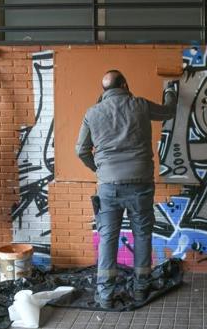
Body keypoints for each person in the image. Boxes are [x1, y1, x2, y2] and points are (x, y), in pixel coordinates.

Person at [76, 70, 177, 308]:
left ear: (105, 90)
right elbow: (168, 112)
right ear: (125, 83)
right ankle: (141, 289)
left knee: (108, 238)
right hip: (140, 184)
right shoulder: (140, 105)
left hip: (108, 187)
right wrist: (170, 92)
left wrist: (100, 170)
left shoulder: (93, 113)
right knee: (142, 234)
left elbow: (81, 150)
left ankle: (105, 295)